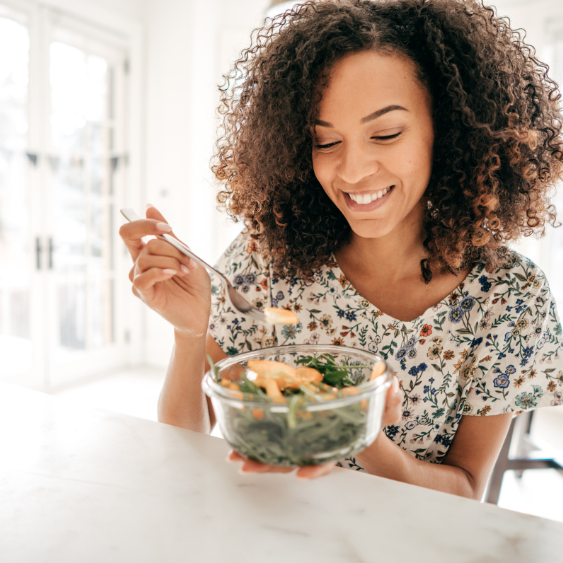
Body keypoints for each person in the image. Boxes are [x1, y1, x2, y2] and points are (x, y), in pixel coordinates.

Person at [119, 0, 563, 498]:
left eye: (386, 133)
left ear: (452, 130)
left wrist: (361, 430)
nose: (351, 173)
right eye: (325, 142)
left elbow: (465, 490)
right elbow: (187, 436)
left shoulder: (509, 295)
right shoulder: (264, 258)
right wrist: (188, 332)